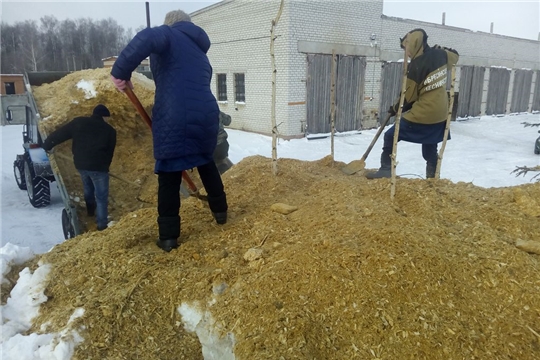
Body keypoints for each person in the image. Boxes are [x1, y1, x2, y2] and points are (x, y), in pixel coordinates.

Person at [110, 9, 228, 252]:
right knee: (206, 161)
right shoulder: (199, 52)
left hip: (175, 113)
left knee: (169, 172)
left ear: (171, 24)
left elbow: (146, 38)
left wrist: (120, 72)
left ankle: (168, 237)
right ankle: (221, 212)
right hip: (206, 113)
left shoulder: (168, 34)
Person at [366, 28, 459, 179]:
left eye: (407, 49)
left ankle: (385, 170)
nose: (407, 54)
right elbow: (455, 56)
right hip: (441, 115)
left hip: (424, 114)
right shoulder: (441, 55)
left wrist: (395, 109)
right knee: (430, 146)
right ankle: (433, 177)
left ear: (415, 44)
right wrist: (441, 49)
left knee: (390, 135)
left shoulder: (416, 65)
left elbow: (408, 98)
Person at [42, 104, 116, 231]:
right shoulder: (110, 130)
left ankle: (90, 212)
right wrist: (105, 167)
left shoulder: (78, 123)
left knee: (88, 188)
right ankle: (102, 226)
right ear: (104, 116)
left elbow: (61, 134)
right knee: (101, 197)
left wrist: (48, 144)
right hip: (99, 168)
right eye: (107, 118)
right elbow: (110, 152)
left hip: (81, 165)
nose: (107, 121)